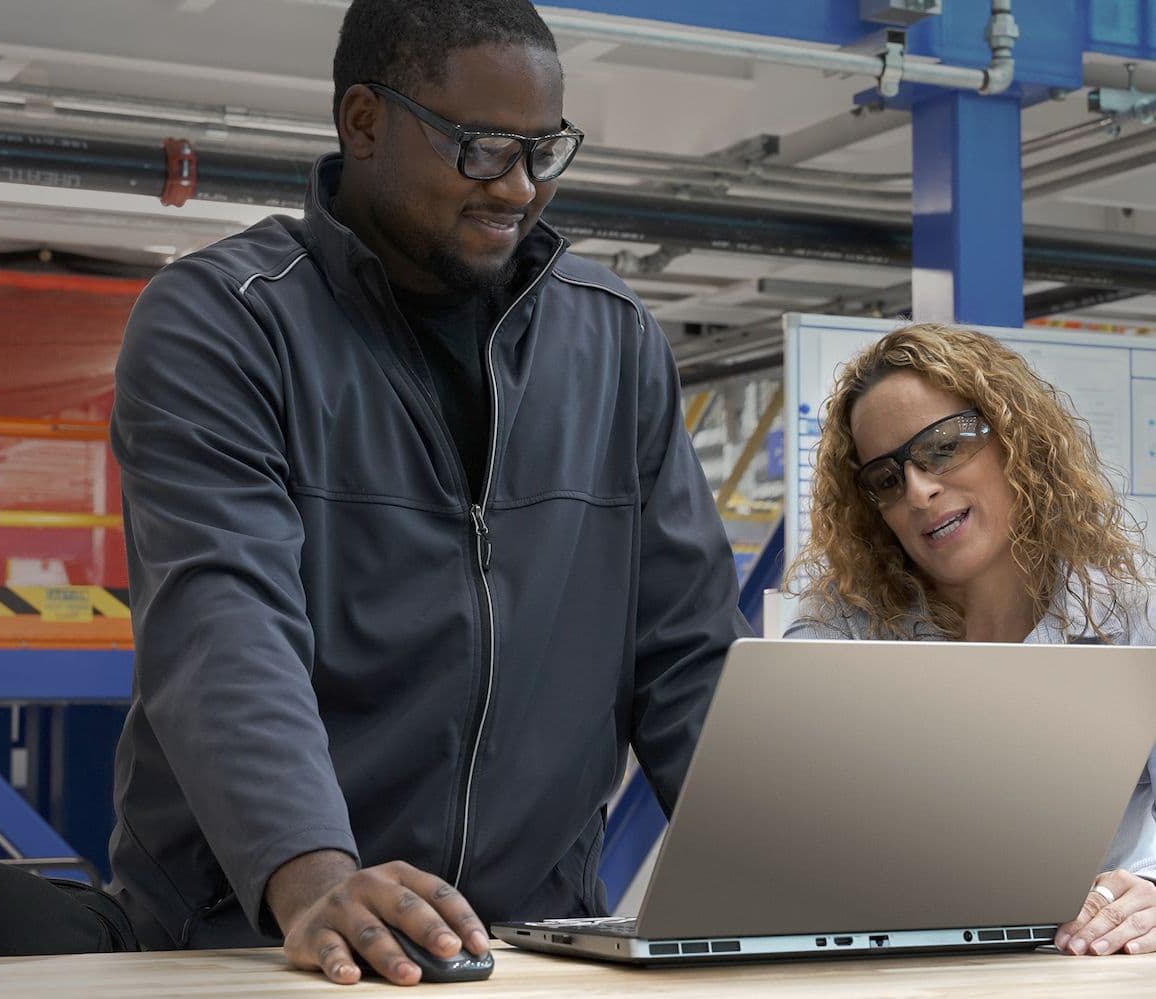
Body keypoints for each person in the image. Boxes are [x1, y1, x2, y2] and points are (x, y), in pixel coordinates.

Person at [107, 0, 748, 985]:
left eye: (545, 150)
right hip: (256, 942)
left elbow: (685, 656)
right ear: (364, 121)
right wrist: (311, 877)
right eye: (485, 148)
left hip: (522, 948)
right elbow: (222, 623)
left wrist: (827, 887)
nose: (522, 188)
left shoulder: (612, 341)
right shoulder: (226, 324)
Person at [786, 321, 1156, 957]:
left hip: (1083, 969)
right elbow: (782, 835)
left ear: (1017, 440)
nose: (920, 491)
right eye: (886, 478)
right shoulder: (840, 632)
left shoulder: (1134, 616)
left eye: (942, 447)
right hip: (881, 971)